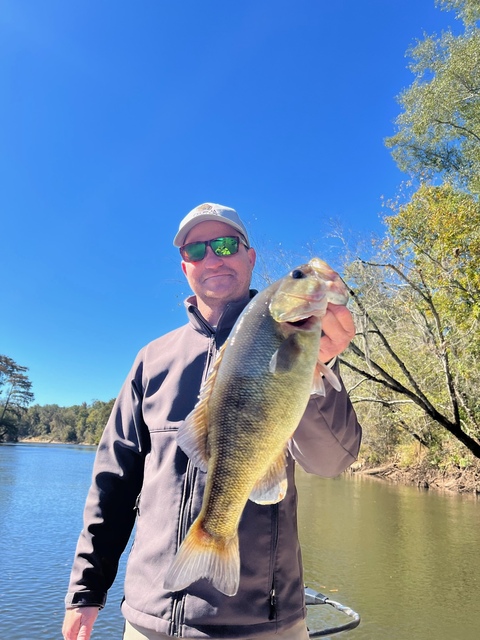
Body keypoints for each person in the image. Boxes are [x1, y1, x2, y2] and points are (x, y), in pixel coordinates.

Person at [63, 203, 362, 640]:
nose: (212, 257)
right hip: (151, 620)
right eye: (196, 249)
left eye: (225, 244)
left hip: (266, 624)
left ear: (250, 256)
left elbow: (332, 461)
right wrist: (86, 592)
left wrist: (319, 366)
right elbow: (113, 483)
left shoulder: (298, 343)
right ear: (185, 265)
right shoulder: (151, 361)